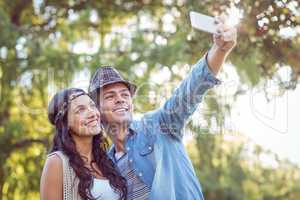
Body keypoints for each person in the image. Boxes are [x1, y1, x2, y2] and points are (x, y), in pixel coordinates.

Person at [88, 16, 237, 199]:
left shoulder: (158, 124)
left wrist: (219, 50)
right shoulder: (106, 166)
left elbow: (190, 90)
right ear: (97, 109)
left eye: (125, 95)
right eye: (110, 96)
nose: (120, 100)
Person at [40, 88, 127, 200]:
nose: (92, 113)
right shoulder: (57, 162)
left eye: (92, 105)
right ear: (65, 123)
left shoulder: (108, 162)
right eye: (80, 110)